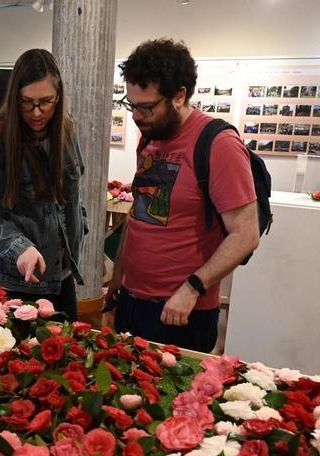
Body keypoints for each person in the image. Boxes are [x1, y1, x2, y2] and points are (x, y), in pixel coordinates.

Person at [106, 38, 259, 352]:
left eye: (147, 107)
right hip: (132, 300)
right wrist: (117, 279)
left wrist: (192, 288)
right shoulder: (150, 136)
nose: (136, 115)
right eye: (131, 104)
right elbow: (141, 212)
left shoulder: (219, 144)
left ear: (179, 96)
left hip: (180, 311)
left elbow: (246, 234)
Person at [0, 49, 87, 321]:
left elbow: (74, 194)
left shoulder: (66, 131)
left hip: (61, 275)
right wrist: (19, 247)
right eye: (27, 102)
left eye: (46, 102)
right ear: (14, 97)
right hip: (15, 282)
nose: (36, 112)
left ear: (59, 97)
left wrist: (81, 227)